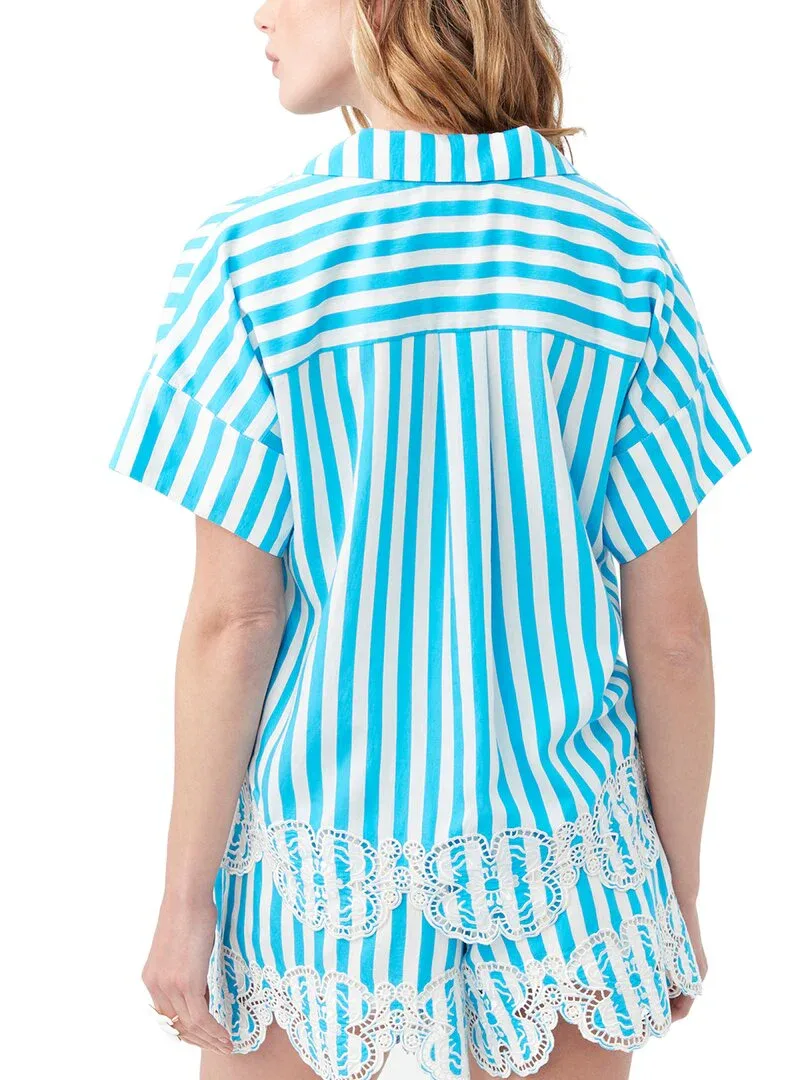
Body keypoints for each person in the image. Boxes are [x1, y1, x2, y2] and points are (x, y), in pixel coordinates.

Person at [108, 2, 751, 1078]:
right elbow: (673, 634)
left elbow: (235, 620)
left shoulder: (252, 260)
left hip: (320, 882)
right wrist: (671, 892)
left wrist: (184, 901)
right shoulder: (623, 259)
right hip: (575, 874)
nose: (259, 13)